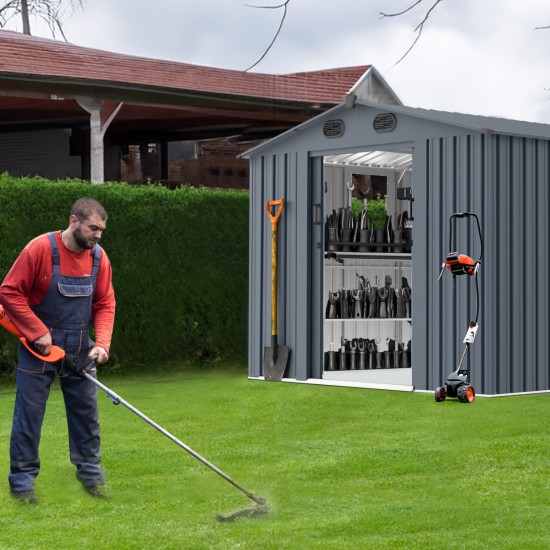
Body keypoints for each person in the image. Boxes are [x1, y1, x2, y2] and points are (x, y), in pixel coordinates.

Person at [0, 197, 116, 504]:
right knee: (30, 415)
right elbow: (9, 292)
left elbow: (105, 303)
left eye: (101, 230)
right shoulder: (40, 249)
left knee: (86, 415)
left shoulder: (98, 258)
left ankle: (92, 478)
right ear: (74, 221)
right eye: (93, 228)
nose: (98, 235)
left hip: (79, 350)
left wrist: (102, 343)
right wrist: (37, 331)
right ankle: (22, 485)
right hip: (39, 350)